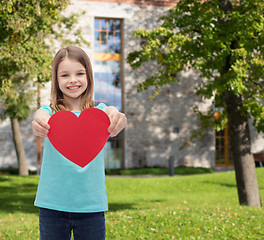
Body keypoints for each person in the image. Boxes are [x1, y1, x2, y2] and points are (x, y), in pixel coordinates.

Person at [32, 46, 127, 240]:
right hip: (52, 205)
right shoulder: (50, 113)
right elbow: (39, 116)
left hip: (91, 205)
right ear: (56, 81)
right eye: (65, 75)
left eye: (79, 73)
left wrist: (117, 115)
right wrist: (39, 121)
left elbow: (111, 113)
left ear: (88, 76)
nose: (73, 80)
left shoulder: (100, 113)